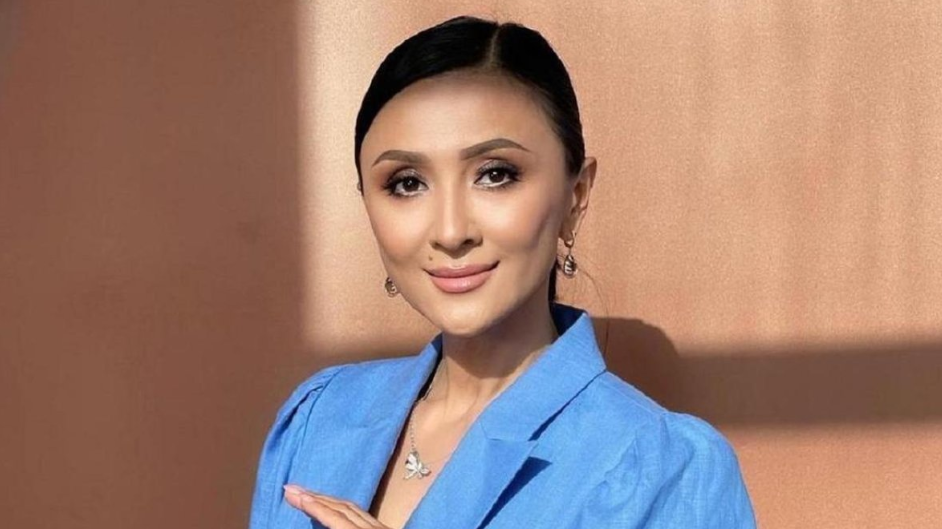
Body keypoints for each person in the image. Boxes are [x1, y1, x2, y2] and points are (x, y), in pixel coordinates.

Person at [249, 15, 757, 529]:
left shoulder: (665, 470)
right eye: (406, 183)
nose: (450, 231)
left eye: (495, 174)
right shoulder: (319, 417)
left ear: (576, 197)